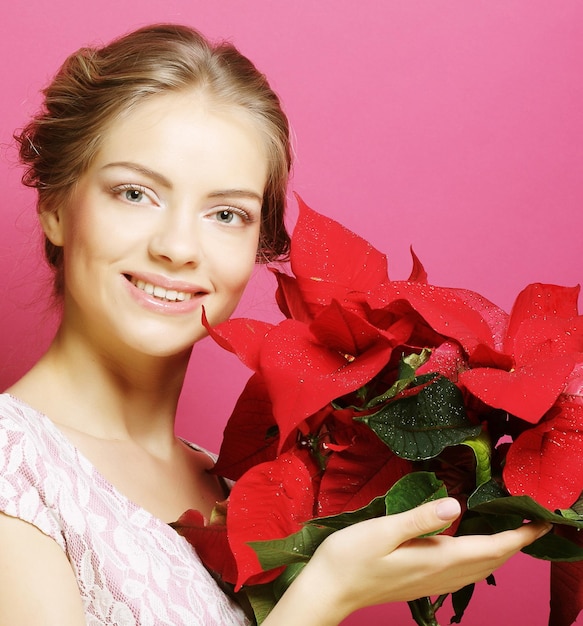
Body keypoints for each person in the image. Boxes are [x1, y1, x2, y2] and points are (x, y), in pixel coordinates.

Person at [0, 23, 550, 626]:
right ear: (55, 205)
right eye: (135, 194)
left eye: (226, 212)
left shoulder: (233, 482)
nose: (180, 246)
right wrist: (327, 593)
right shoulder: (14, 468)